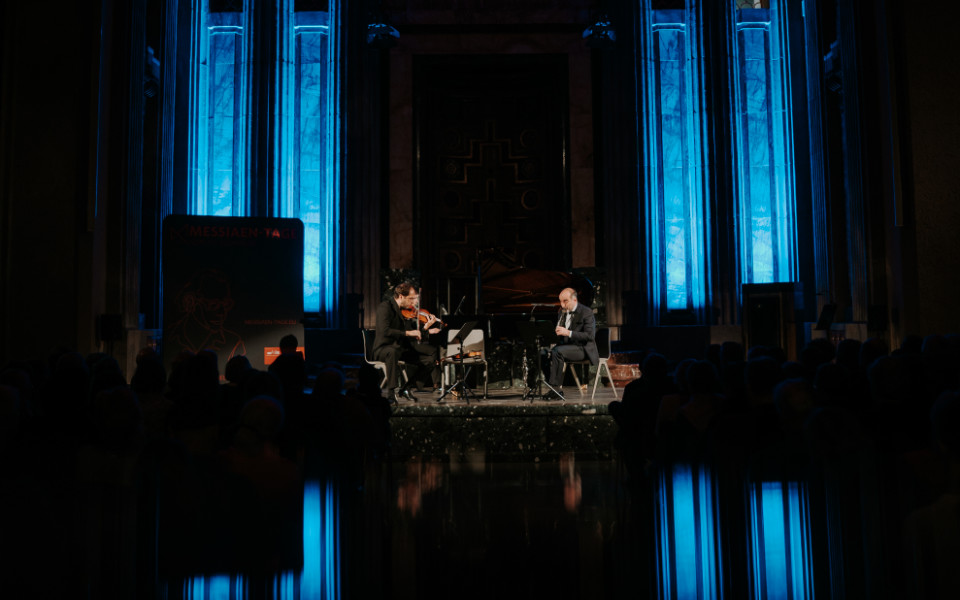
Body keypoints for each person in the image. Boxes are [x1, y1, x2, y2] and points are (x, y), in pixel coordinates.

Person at [373, 282, 441, 404]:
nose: (414, 302)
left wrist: (425, 327)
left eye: (415, 299)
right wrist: (407, 333)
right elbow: (385, 331)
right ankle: (391, 393)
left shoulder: (405, 312)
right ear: (401, 296)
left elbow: (412, 335)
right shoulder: (385, 307)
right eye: (411, 299)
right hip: (383, 348)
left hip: (400, 349)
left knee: (430, 359)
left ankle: (407, 388)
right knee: (392, 352)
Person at [543, 287, 598, 400]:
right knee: (543, 353)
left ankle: (555, 389)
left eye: (565, 301)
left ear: (574, 300)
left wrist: (568, 333)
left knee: (557, 352)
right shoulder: (561, 311)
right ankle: (552, 386)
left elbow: (590, 336)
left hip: (583, 348)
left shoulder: (586, 312)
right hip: (566, 347)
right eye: (560, 301)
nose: (562, 305)